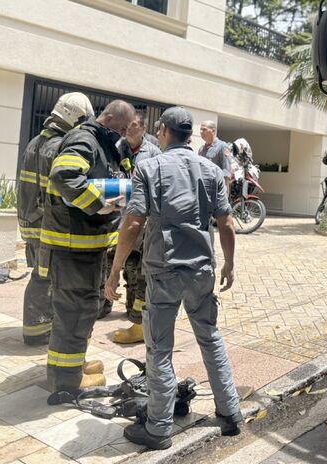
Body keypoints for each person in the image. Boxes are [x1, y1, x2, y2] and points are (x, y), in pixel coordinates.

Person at [105, 107, 242, 450]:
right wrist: (229, 265)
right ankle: (230, 414)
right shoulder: (210, 169)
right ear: (190, 135)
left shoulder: (148, 167)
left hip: (164, 270)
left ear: (163, 131)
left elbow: (134, 223)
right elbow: (226, 222)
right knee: (210, 338)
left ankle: (158, 428)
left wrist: (116, 268)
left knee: (160, 350)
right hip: (201, 271)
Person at [41, 100, 135, 395]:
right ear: (108, 119)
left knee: (80, 310)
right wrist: (97, 205)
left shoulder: (103, 142)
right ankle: (67, 381)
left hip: (85, 246)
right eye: (120, 128)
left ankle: (72, 365)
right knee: (75, 311)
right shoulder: (85, 139)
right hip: (73, 246)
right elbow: (64, 176)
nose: (121, 134)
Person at [17, 92, 95, 346]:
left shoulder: (35, 142)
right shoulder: (59, 146)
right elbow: (64, 188)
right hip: (48, 225)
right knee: (47, 277)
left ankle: (35, 326)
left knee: (42, 274)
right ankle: (38, 330)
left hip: (31, 221)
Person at [111, 110, 163, 344]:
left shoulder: (153, 153)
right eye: (126, 126)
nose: (128, 130)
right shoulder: (116, 147)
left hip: (141, 221)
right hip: (117, 216)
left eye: (133, 126)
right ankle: (129, 310)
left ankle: (139, 322)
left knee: (140, 270)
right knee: (126, 267)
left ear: (143, 129)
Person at [198, 120, 232, 189]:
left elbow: (226, 172)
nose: (201, 132)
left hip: (216, 189)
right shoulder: (201, 149)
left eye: (204, 129)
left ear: (213, 131)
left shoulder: (222, 146)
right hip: (203, 189)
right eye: (200, 130)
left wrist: (224, 193)